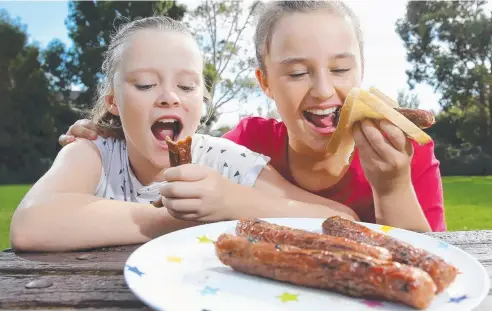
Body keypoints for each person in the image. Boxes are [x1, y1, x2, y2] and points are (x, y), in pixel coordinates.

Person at [57, 1, 446, 232]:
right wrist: (115, 136)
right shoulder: (244, 145)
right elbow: (182, 182)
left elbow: (430, 271)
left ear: (361, 71)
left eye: (341, 70)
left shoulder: (407, 156)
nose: (324, 90)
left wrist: (392, 188)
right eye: (296, 73)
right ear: (266, 83)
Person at [10, 16, 359, 253]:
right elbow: (29, 226)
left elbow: (342, 221)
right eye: (146, 84)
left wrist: (231, 203)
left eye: (187, 85)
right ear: (113, 101)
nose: (169, 96)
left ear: (201, 100)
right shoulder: (93, 153)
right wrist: (169, 221)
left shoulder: (224, 160)